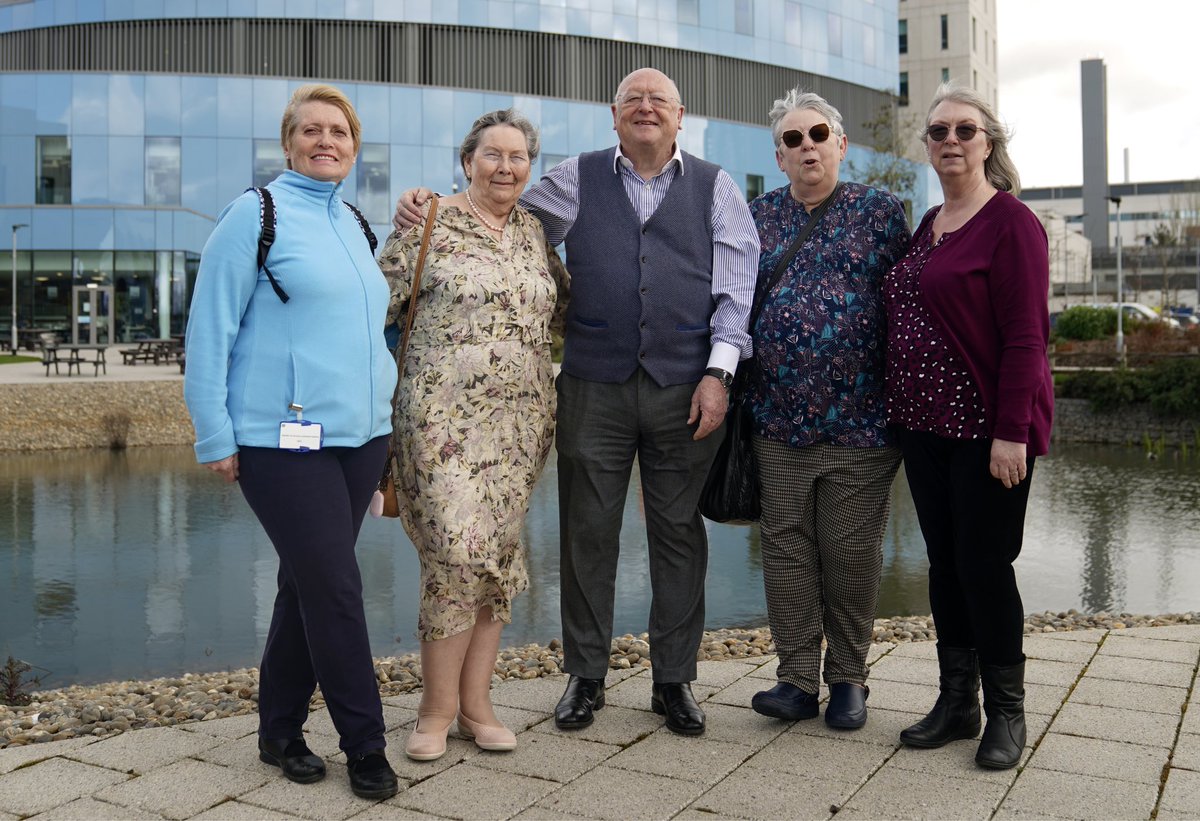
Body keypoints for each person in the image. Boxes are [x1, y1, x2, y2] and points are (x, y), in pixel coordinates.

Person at [394, 67, 759, 736]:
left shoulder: (718, 187)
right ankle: (585, 676)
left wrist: (720, 373)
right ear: (612, 116)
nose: (646, 109)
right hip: (593, 385)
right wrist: (431, 206)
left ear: (681, 118)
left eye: (660, 101)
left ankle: (674, 680)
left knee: (679, 535)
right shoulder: (574, 179)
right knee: (587, 533)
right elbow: (500, 216)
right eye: (632, 100)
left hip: (686, 387)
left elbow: (736, 293)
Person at [183, 84, 399, 799]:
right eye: (311, 129)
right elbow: (209, 330)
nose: (325, 140)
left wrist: (388, 423)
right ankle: (366, 744)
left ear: (353, 144)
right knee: (335, 585)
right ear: (288, 142)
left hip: (360, 437)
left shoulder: (357, 222)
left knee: (303, 582)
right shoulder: (255, 216)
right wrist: (213, 431)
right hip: (280, 439)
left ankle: (278, 728)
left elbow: (371, 333)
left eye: (338, 130)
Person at [379, 109, 569, 762]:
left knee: (496, 561)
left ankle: (477, 705)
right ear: (468, 161)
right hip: (437, 422)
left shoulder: (536, 234)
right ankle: (435, 709)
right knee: (455, 554)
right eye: (493, 154)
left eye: (519, 156)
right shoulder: (429, 222)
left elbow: (565, 308)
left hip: (520, 430)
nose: (507, 166)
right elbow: (369, 304)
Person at [884, 84, 1053, 770]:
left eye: (965, 130)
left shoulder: (1011, 221)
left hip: (987, 430)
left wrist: (1013, 431)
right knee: (945, 566)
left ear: (988, 143)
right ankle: (958, 702)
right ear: (926, 145)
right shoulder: (930, 222)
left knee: (985, 566)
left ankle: (1007, 713)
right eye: (938, 131)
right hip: (923, 428)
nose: (950, 140)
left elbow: (1025, 337)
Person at [745, 88, 910, 729]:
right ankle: (793, 680)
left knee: (850, 550)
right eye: (792, 140)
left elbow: (910, 305)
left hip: (862, 423)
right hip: (778, 421)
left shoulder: (880, 211)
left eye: (817, 135)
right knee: (785, 549)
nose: (806, 146)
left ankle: (848, 680)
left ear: (840, 145)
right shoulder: (757, 217)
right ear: (779, 156)